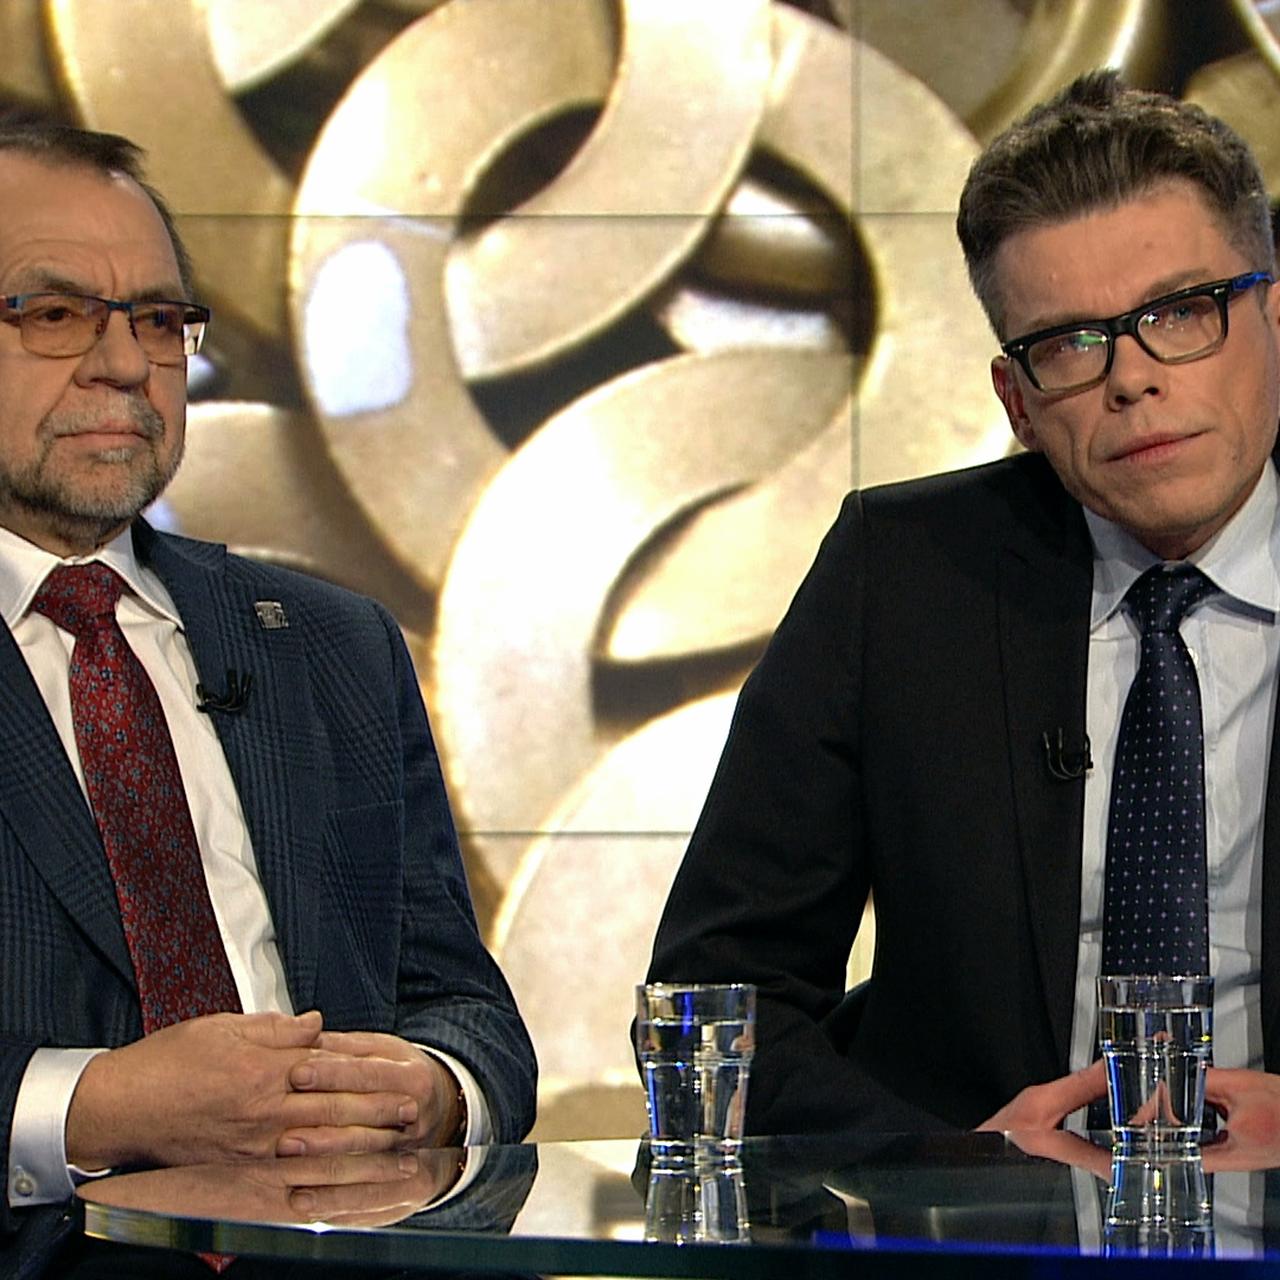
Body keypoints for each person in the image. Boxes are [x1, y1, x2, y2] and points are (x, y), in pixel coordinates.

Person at [646, 70, 1280, 1138]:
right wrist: (955, 1171)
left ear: (1271, 316)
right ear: (1016, 403)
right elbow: (720, 995)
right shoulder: (900, 577)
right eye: (1069, 343)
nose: (1131, 379)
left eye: (1179, 313)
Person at [0, 112, 536, 1258]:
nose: (125, 363)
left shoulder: (333, 645)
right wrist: (96, 1105)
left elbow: (468, 1012)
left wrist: (430, 1086)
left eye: (157, 319)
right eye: (55, 315)